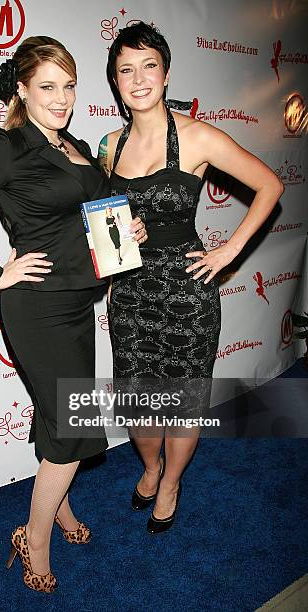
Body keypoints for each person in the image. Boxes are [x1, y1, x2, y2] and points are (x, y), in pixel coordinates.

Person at [0, 36, 147, 592]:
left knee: (57, 418)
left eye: (69, 86)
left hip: (76, 302)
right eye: (47, 86)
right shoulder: (9, 147)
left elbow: (87, 213)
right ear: (21, 89)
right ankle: (33, 536)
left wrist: (127, 232)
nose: (62, 97)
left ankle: (60, 509)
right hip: (38, 309)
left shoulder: (71, 145)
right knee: (71, 427)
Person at [98, 22, 284, 534]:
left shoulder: (197, 136)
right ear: (115, 82)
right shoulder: (108, 146)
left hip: (187, 291)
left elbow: (269, 186)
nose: (138, 80)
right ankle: (151, 466)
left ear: (166, 73)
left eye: (148, 67)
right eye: (125, 71)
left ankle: (172, 480)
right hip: (131, 294)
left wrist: (228, 251)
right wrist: (119, 243)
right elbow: (105, 221)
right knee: (137, 402)